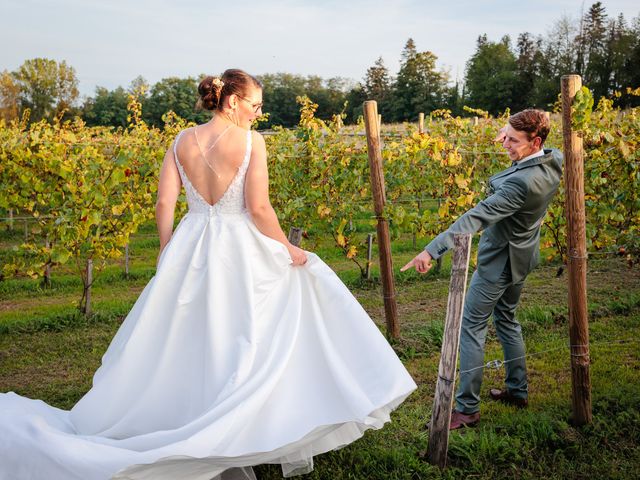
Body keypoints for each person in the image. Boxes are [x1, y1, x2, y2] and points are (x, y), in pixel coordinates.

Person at [0, 69, 416, 479]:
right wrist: (288, 248)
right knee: (248, 330)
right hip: (239, 245)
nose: (258, 113)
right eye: (255, 105)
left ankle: (194, 413)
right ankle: (243, 420)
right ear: (233, 101)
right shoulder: (252, 143)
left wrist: (167, 251)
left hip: (191, 242)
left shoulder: (181, 141)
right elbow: (259, 209)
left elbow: (165, 204)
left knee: (186, 335)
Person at [401, 109, 562, 430]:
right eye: (506, 136)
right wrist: (511, 132)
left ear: (536, 142)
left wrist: (431, 251)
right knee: (507, 319)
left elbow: (474, 218)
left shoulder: (520, 185)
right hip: (523, 255)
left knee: (471, 327)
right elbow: (531, 137)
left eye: (514, 141)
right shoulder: (552, 160)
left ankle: (467, 408)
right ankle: (517, 391)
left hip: (499, 262)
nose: (505, 143)